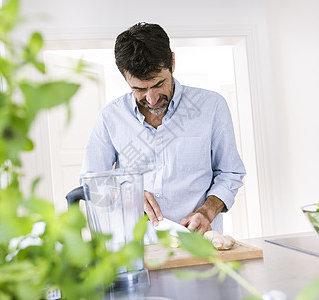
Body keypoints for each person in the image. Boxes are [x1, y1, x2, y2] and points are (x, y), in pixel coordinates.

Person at [80, 22, 246, 234]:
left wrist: (207, 211)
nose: (152, 99)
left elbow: (230, 172)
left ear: (173, 63)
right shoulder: (109, 117)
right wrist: (126, 194)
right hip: (135, 251)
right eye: (139, 89)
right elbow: (90, 183)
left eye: (158, 84)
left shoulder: (211, 106)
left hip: (197, 247)